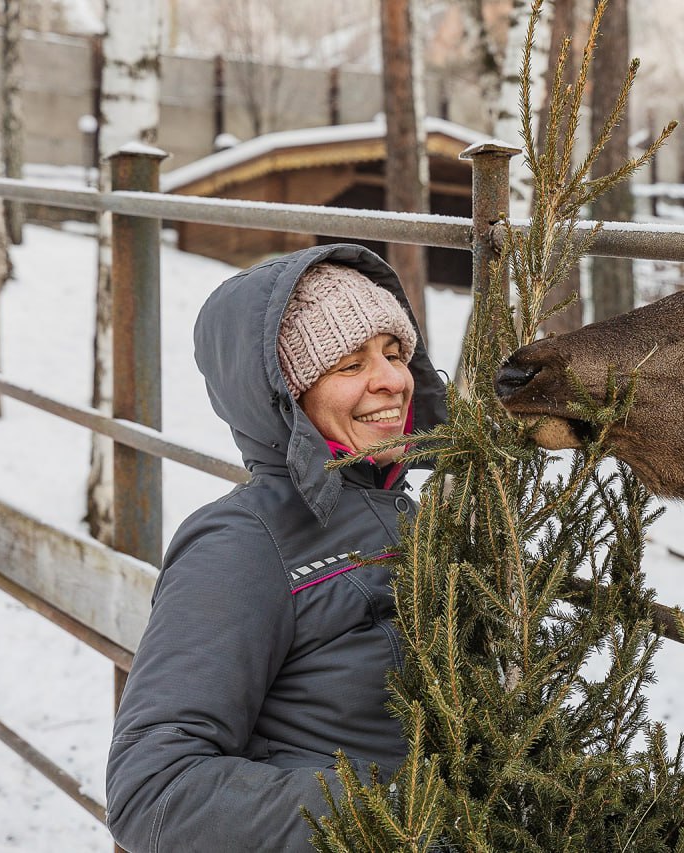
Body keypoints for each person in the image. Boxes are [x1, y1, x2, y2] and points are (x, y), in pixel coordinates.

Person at [106, 244, 447, 852]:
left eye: (395, 354)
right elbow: (152, 792)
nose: (392, 379)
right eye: (348, 364)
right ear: (284, 396)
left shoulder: (403, 513)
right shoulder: (240, 545)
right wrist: (392, 821)